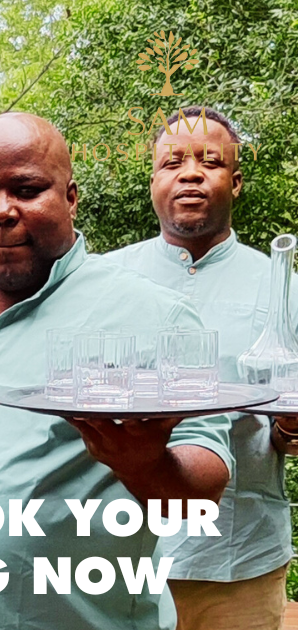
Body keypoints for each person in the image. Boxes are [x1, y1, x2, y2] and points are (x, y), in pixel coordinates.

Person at [0, 113, 233, 630]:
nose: (2, 211)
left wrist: (143, 464)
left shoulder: (159, 315)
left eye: (26, 189)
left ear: (70, 197)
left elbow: (201, 495)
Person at [106, 106, 294, 630]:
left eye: (209, 162)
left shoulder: (280, 286)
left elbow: (290, 421)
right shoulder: (102, 281)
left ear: (234, 183)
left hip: (239, 558)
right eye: (172, 162)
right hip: (118, 559)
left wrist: (290, 433)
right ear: (153, 181)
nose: (190, 173)